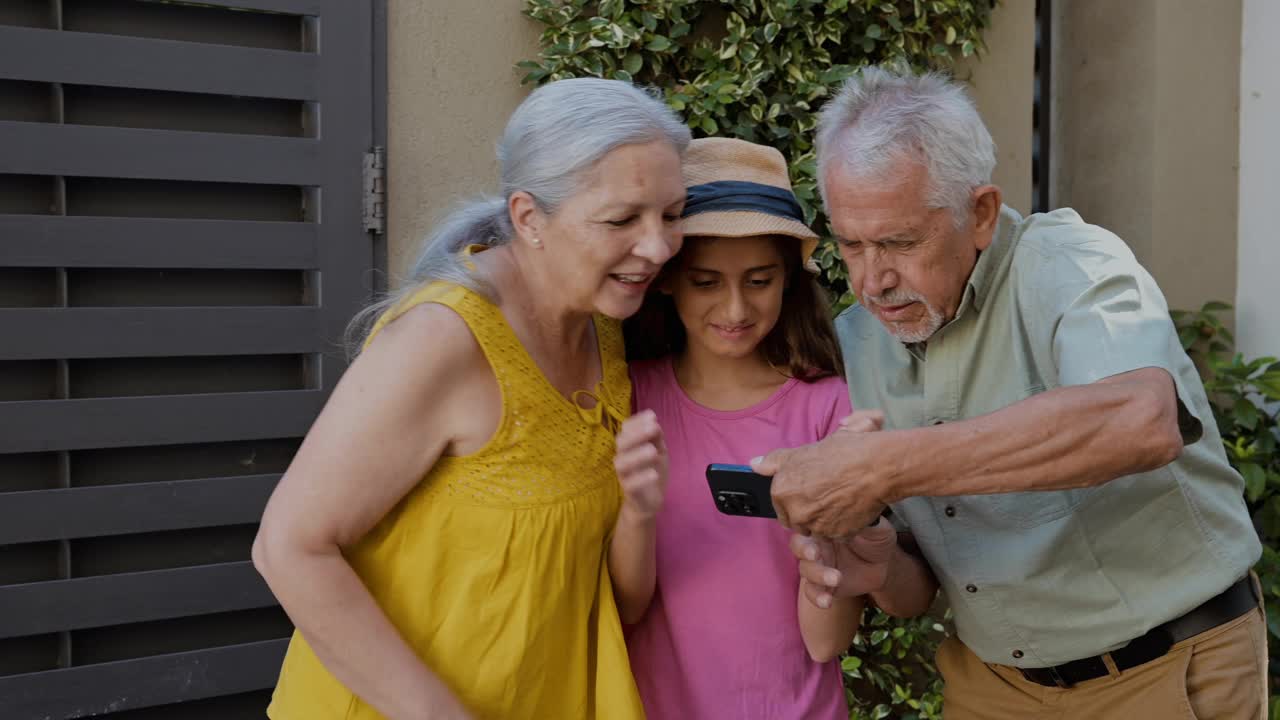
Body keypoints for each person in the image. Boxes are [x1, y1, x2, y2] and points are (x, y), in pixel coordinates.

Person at [755, 65, 1267, 719]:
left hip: (1162, 671)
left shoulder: (1073, 264)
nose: (872, 280)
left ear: (982, 214)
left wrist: (884, 465)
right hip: (993, 688)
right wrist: (880, 567)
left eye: (900, 242)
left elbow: (1143, 419)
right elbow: (921, 589)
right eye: (851, 246)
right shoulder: (856, 342)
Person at [251, 77, 691, 720]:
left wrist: (641, 512)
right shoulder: (443, 338)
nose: (657, 247)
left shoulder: (602, 325)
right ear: (528, 218)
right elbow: (287, 546)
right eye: (622, 218)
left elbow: (600, 595)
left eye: (673, 214)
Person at [620, 137, 889, 720]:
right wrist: (636, 512)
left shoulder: (828, 410)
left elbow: (827, 642)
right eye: (707, 281)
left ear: (790, 280)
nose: (736, 309)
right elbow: (623, 606)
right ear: (666, 279)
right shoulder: (627, 400)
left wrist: (835, 528)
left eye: (760, 280)